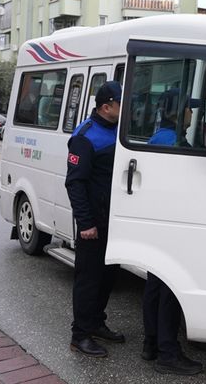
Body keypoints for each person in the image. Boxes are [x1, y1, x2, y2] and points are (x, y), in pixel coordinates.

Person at [141, 88, 203, 375]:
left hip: (156, 222)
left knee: (155, 286)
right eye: (188, 109)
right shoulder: (172, 141)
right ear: (177, 112)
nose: (192, 113)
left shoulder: (159, 136)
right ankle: (168, 352)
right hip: (170, 223)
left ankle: (151, 343)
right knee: (170, 288)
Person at [65, 81, 125, 357]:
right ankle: (80, 334)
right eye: (120, 103)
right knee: (89, 278)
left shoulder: (119, 131)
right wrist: (85, 223)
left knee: (108, 276)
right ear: (106, 107)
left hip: (113, 219)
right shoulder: (85, 136)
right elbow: (75, 183)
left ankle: (96, 322)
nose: (125, 107)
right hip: (93, 222)